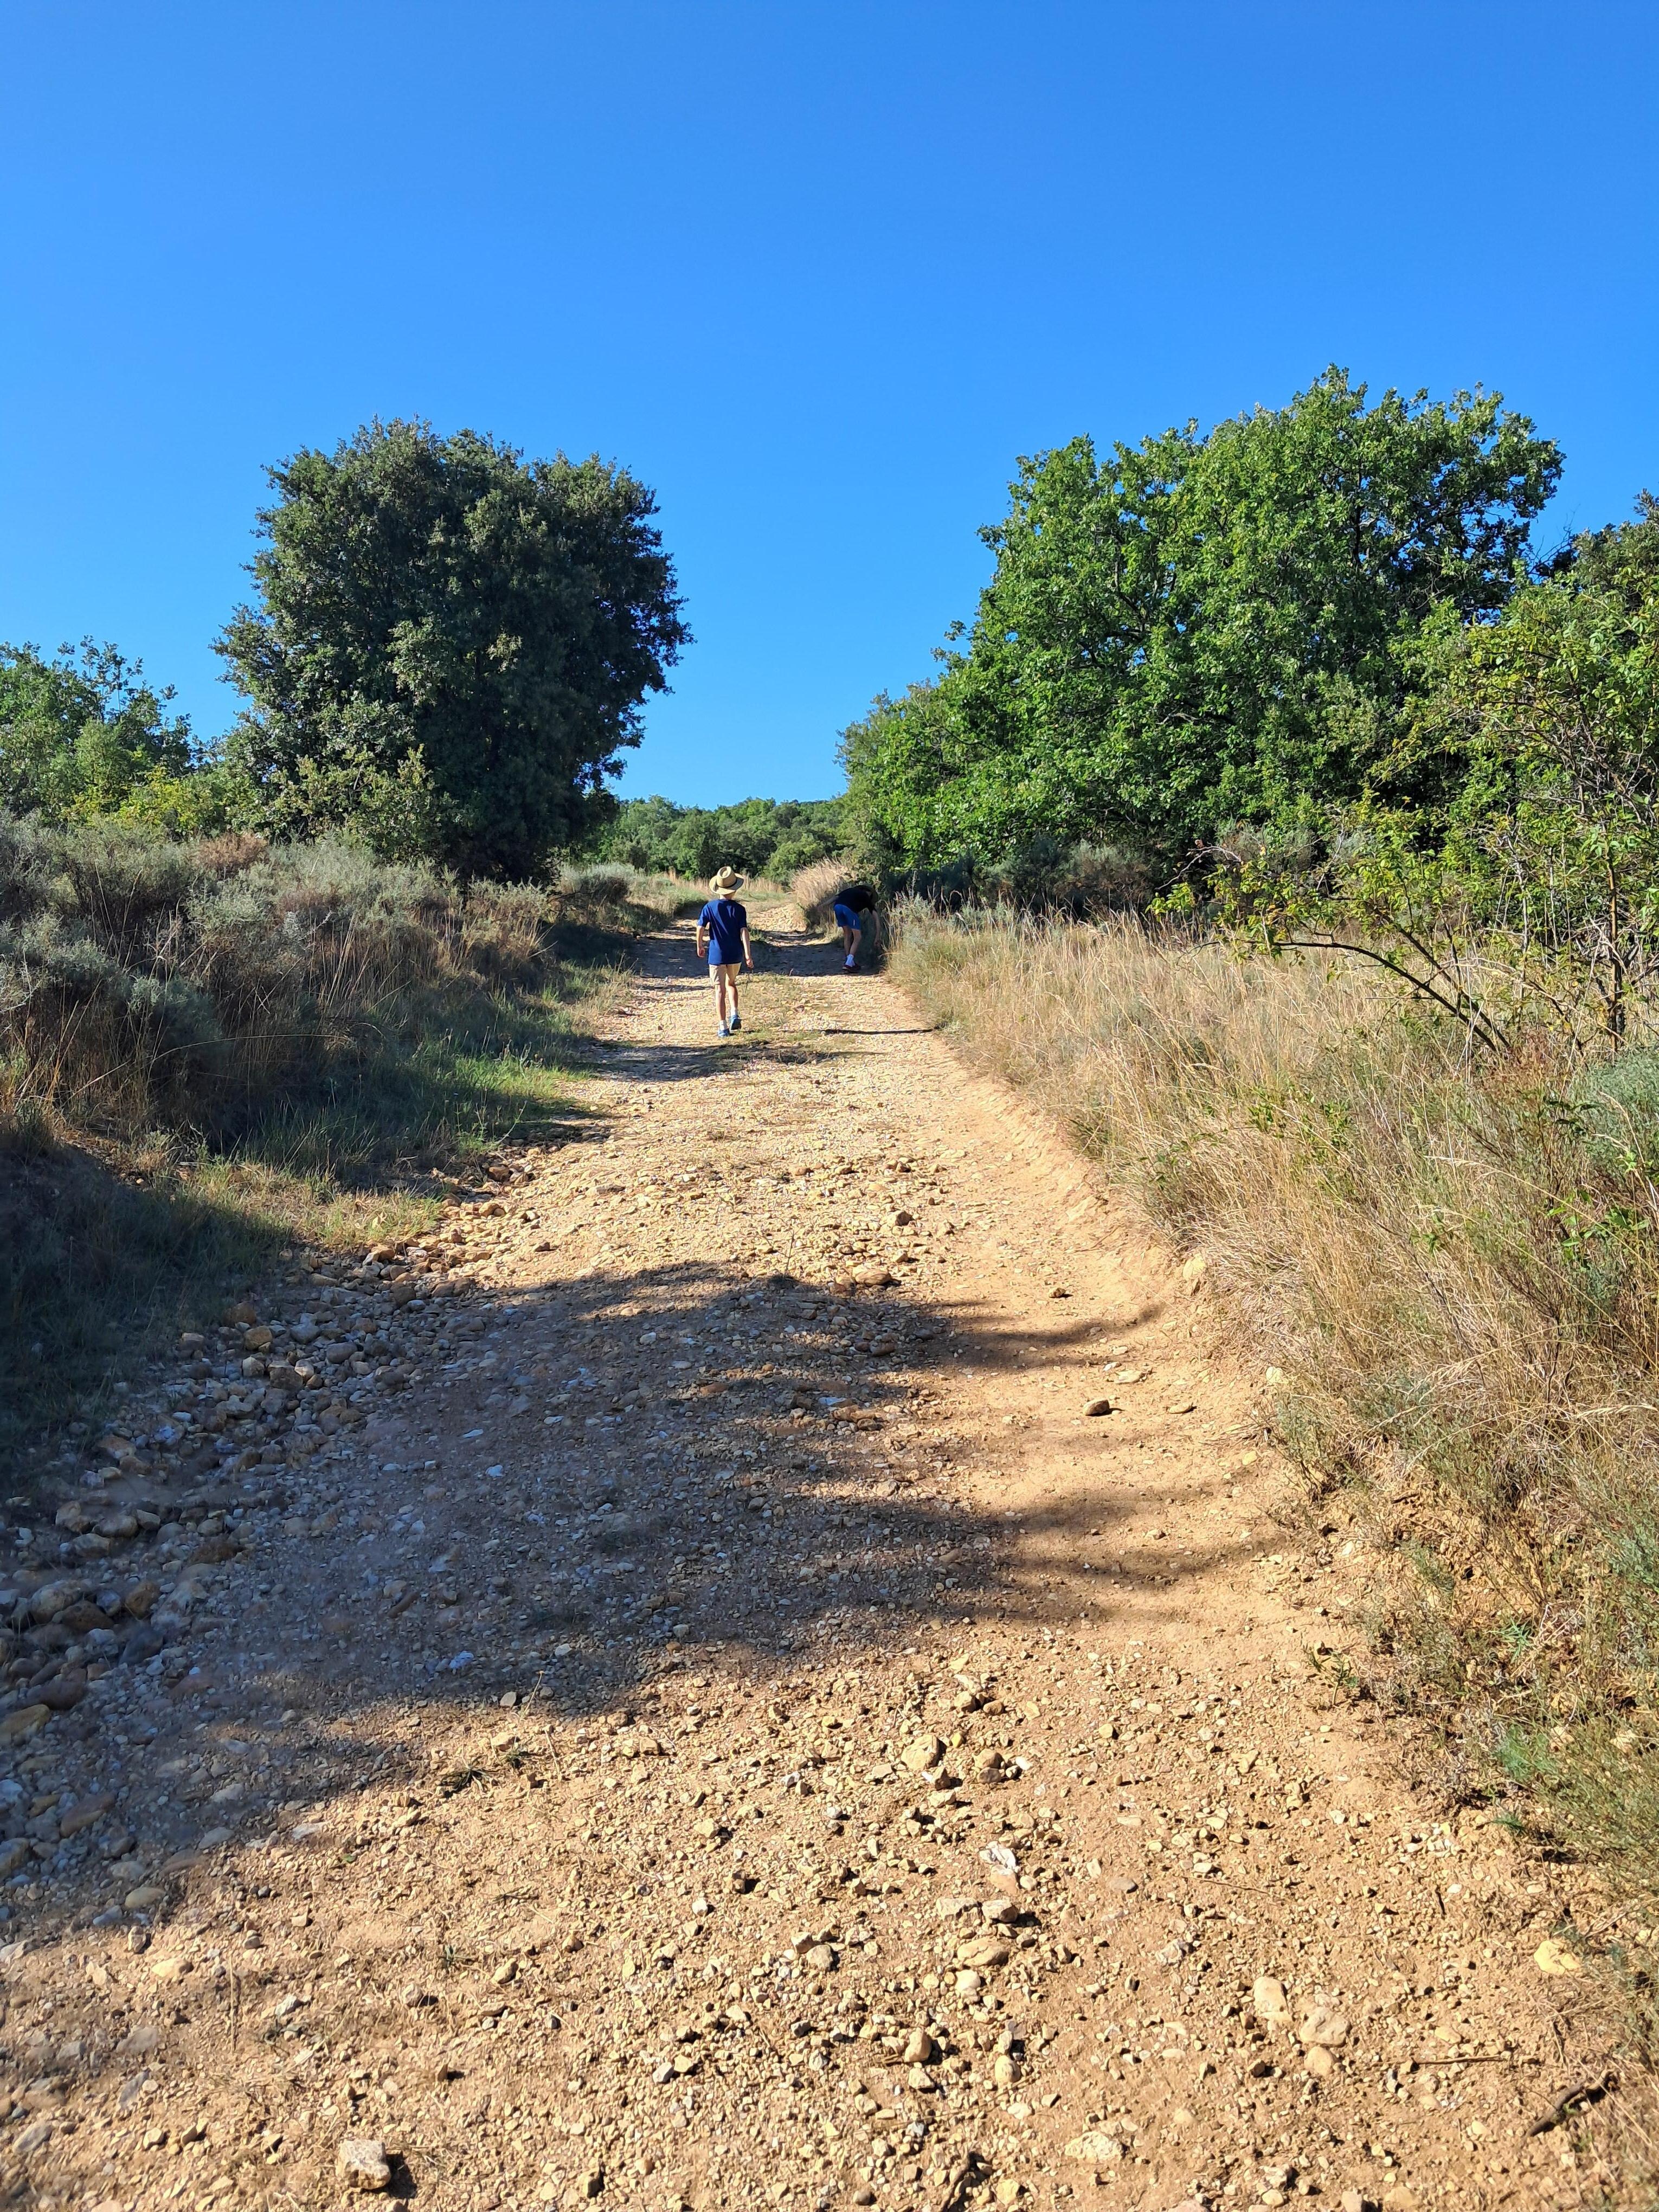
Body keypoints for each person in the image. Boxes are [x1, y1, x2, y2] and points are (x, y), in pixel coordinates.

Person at [697, 866, 753, 1036]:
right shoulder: (739, 909)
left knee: (719, 989)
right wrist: (748, 955)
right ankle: (735, 1013)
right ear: (734, 890)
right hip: (735, 954)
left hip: (716, 954)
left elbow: (700, 927)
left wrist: (699, 945)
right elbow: (744, 932)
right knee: (731, 983)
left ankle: (722, 1027)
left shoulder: (709, 907)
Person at [832, 884, 873, 971]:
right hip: (849, 909)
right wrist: (877, 936)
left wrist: (822, 905)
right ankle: (849, 963)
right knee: (858, 937)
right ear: (868, 892)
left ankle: (850, 962)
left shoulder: (849, 891)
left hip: (837, 907)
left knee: (847, 935)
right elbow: (876, 918)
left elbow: (835, 898)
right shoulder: (866, 896)